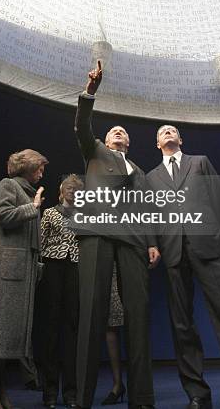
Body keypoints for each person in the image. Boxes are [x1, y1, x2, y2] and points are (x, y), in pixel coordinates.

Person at [146, 125, 220, 409]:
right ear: (157, 143)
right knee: (182, 325)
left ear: (180, 139)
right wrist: (153, 244)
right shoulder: (151, 177)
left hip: (208, 248)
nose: (167, 132)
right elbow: (150, 216)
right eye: (163, 131)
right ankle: (197, 395)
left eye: (173, 130)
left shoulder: (199, 162)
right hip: (174, 253)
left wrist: (215, 232)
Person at [74, 60, 160, 409]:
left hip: (134, 241)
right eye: (114, 131)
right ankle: (82, 399)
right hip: (96, 233)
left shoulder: (139, 170)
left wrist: (153, 243)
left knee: (138, 316)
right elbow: (82, 125)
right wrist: (90, 91)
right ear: (105, 140)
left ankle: (142, 399)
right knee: (92, 311)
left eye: (124, 132)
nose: (119, 133)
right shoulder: (93, 150)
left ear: (129, 141)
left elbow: (146, 208)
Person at [0, 149, 48, 409]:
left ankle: (0, 391)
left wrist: (38, 265)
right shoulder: (8, 185)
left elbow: (33, 236)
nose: (42, 172)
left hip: (23, 273)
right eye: (40, 167)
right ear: (26, 165)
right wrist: (34, 207)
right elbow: (4, 217)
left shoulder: (29, 192)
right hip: (7, 272)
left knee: (10, 337)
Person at [40, 174, 83, 409]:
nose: (73, 190)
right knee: (51, 328)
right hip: (52, 268)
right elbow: (41, 242)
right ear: (61, 190)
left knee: (72, 328)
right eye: (69, 187)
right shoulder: (49, 213)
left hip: (76, 269)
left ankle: (70, 392)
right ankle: (49, 391)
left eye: (77, 188)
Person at [101, 264, 125, 406]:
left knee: (135, 323)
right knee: (111, 323)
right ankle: (117, 384)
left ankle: (140, 390)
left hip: (129, 253)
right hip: (103, 256)